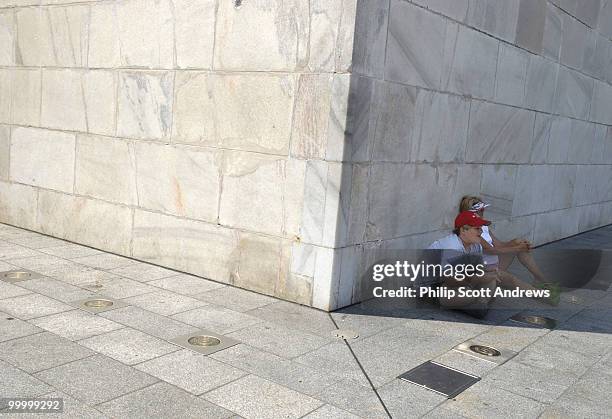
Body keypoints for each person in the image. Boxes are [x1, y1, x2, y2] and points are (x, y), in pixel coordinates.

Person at [459, 196, 560, 304]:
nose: (483, 212)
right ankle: (542, 295)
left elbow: (499, 244)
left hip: (493, 264)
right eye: (480, 210)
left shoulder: (483, 226)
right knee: (512, 279)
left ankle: (543, 281)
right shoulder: (469, 229)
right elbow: (490, 250)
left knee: (519, 242)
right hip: (483, 270)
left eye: (483, 210)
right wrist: (516, 248)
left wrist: (519, 245)